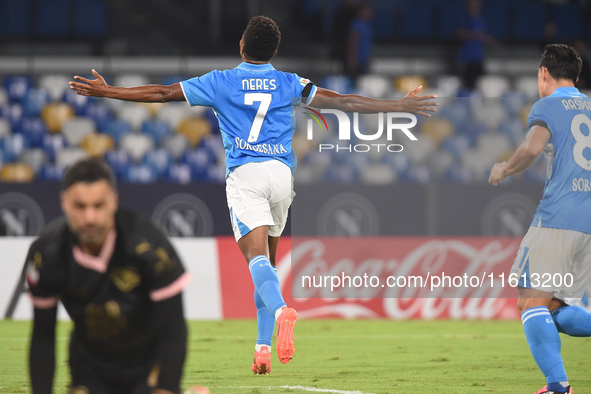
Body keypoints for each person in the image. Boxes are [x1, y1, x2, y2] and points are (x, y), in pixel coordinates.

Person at [69, 15, 437, 375]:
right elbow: (344, 102)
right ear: (274, 51)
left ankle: (282, 314)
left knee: (256, 261)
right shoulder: (290, 82)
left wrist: (108, 90)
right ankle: (262, 350)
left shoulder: (220, 81)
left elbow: (163, 93)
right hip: (281, 176)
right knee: (268, 267)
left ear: (241, 46)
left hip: (246, 175)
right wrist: (397, 105)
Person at [27, 158, 190, 393]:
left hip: (147, 365)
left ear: (113, 201)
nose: (90, 218)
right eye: (80, 206)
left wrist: (167, 387)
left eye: (98, 205)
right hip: (89, 369)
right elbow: (43, 335)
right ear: (64, 203)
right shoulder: (46, 254)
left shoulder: (150, 245)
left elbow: (174, 330)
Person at [489, 44, 591, 394]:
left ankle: (558, 386)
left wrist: (505, 168)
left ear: (544, 73)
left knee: (530, 303)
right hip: (587, 221)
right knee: (549, 304)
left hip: (558, 217)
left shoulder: (548, 105)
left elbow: (532, 148)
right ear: (575, 76)